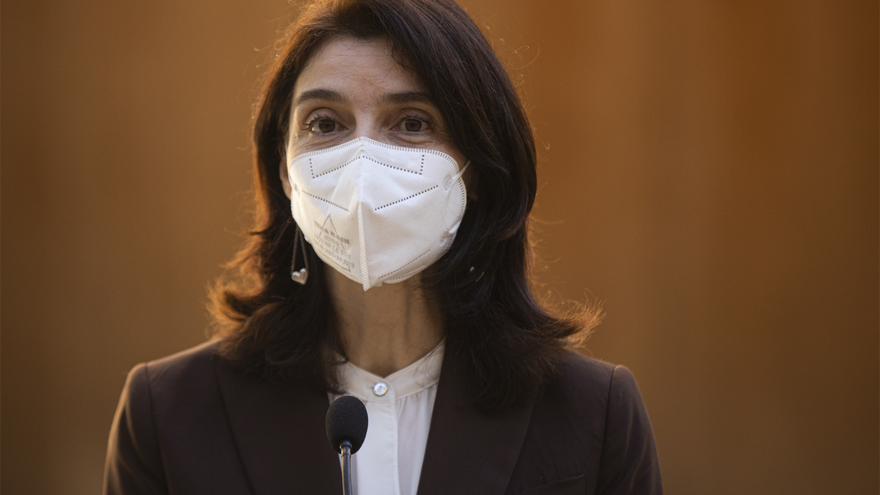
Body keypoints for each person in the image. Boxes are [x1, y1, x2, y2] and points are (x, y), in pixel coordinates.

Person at [103, 0, 663, 494]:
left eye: (412, 122)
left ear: (478, 169)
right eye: (325, 123)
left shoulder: (594, 413)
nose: (362, 161)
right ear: (284, 171)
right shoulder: (167, 413)